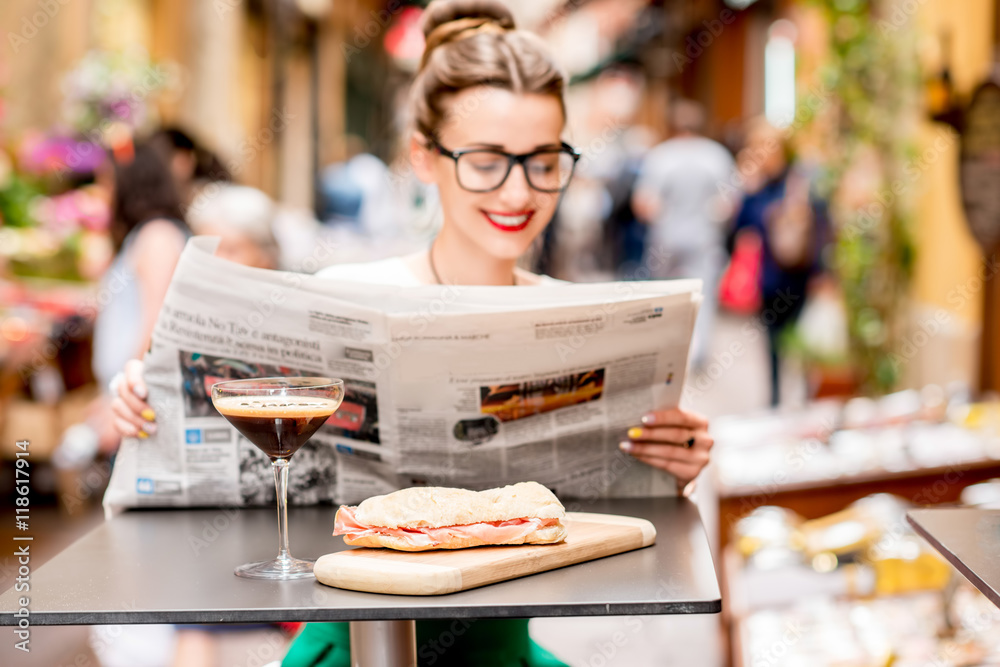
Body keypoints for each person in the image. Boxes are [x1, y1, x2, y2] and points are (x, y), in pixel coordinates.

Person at [108, 2, 714, 664]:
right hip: (352, 651)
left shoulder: (577, 321)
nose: (518, 193)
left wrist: (666, 473)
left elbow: (600, 542)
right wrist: (151, 398)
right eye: (487, 161)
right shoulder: (351, 289)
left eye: (543, 162)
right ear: (425, 157)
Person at [728, 118, 830, 406]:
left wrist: (823, 271)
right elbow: (741, 229)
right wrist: (746, 188)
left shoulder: (802, 180)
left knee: (801, 345)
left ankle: (806, 401)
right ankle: (774, 403)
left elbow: (822, 224)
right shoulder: (758, 187)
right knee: (772, 346)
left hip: (799, 277)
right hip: (769, 279)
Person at [632, 99, 737, 370]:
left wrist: (664, 218)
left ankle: (664, 352)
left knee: (663, 297)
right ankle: (698, 355)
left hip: (665, 239)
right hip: (703, 239)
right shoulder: (716, 155)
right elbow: (728, 204)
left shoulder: (661, 156)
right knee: (702, 298)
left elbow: (644, 203)